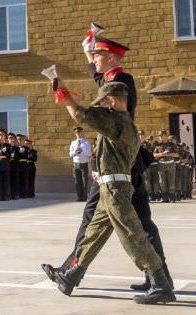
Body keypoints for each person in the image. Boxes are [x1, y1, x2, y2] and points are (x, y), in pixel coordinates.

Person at [51, 34, 168, 294]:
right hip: (111, 172)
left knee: (133, 229)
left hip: (120, 172)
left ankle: (159, 279)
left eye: (97, 54)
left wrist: (65, 94)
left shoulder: (121, 85)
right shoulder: (112, 84)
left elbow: (90, 108)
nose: (93, 59)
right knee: (96, 225)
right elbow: (101, 82)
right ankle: (71, 273)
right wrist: (88, 53)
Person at [70, 127, 93, 201]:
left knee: (84, 181)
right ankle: (79, 197)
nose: (78, 134)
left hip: (84, 163)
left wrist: (82, 150)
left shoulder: (86, 143)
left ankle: (84, 197)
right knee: (77, 181)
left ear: (82, 133)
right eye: (77, 133)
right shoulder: (73, 143)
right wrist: (76, 151)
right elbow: (70, 154)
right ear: (75, 134)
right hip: (76, 164)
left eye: (79, 132)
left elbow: (89, 154)